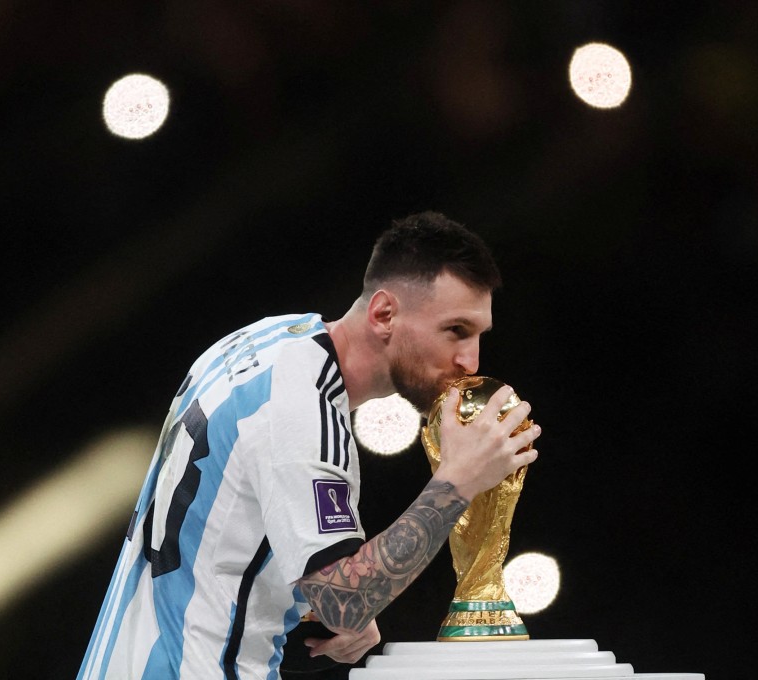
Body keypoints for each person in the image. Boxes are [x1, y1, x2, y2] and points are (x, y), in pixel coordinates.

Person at [77, 211, 541, 679]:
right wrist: (457, 482)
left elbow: (212, 541)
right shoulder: (302, 410)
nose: (470, 360)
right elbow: (345, 603)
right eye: (456, 331)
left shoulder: (268, 340)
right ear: (384, 314)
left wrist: (312, 601)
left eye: (479, 335)